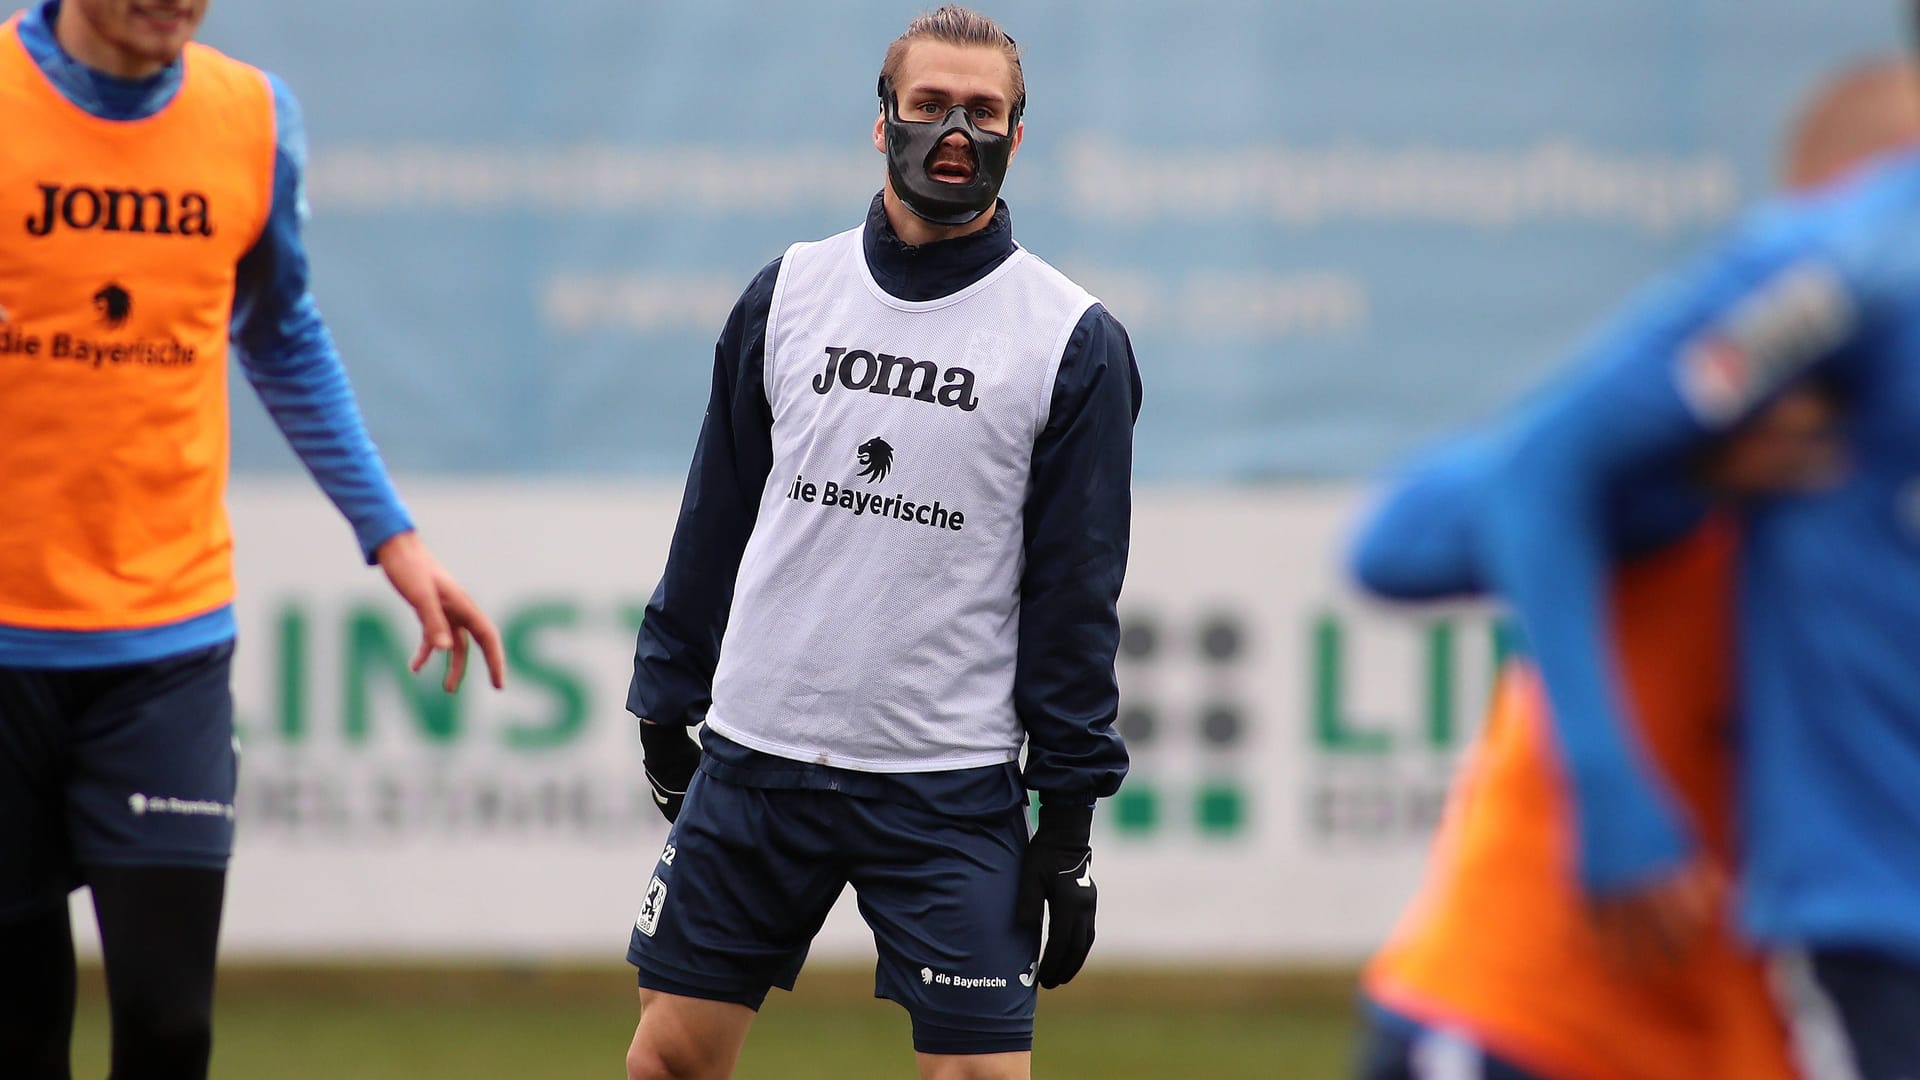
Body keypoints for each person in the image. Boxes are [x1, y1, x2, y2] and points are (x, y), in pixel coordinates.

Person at [1356, 12, 1920, 1075]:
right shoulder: (1664, 464)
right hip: (1528, 1014)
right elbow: (1398, 541)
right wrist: (1676, 466)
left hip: (1732, 1025)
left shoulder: (1854, 492)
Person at [620, 7, 1139, 1079]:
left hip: (944, 784)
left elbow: (1076, 594)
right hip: (759, 759)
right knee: (667, 1062)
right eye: (929, 104)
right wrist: (667, 699)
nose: (956, 129)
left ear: (1018, 135)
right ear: (882, 124)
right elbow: (714, 511)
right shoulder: (791, 290)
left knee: (978, 1077)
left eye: (984, 110)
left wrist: (1071, 816)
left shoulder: (1071, 339)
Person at [0, 2, 506, 1077]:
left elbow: (279, 329)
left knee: (172, 1024)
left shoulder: (251, 117)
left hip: (166, 644)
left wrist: (395, 540)